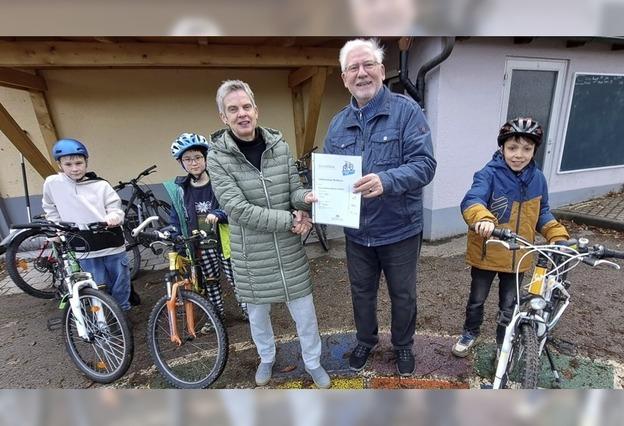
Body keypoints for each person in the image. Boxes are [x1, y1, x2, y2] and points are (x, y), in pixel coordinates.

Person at [321, 38, 437, 376]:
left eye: (368, 65)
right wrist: (319, 198)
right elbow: (329, 174)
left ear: (382, 71)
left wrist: (387, 181)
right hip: (358, 231)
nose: (362, 73)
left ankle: (403, 346)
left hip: (399, 228)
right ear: (343, 78)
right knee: (361, 293)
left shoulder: (407, 112)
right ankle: (366, 340)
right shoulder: (337, 124)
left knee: (403, 295)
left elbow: (425, 165)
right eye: (353, 68)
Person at [207, 80, 331, 389]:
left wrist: (307, 201)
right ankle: (266, 357)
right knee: (258, 318)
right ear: (223, 117)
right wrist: (291, 218)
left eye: (246, 107)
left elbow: (293, 189)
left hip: (288, 250)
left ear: (256, 110)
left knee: (305, 313)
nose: (242, 114)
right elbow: (237, 209)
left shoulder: (279, 145)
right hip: (251, 255)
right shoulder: (217, 158)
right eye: (233, 109)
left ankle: (313, 362)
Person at [451, 117, 569, 359]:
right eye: (513, 148)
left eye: (526, 149)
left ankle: (502, 341)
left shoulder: (538, 179)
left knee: (510, 305)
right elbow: (472, 200)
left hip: (518, 257)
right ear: (502, 148)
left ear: (534, 150)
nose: (519, 155)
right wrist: (482, 218)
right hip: (488, 251)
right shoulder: (488, 174)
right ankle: (470, 333)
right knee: (477, 300)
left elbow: (542, 212)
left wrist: (556, 235)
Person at [42, 138, 131, 312]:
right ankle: (102, 316)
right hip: (83, 245)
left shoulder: (100, 185)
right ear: (59, 165)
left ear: (86, 162)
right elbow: (50, 208)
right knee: (95, 284)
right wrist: (55, 228)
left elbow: (115, 207)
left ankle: (123, 311)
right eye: (68, 164)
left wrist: (113, 217)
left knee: (120, 280)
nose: (75, 168)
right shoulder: (53, 184)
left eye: (79, 163)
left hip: (111, 242)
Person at [165, 132, 247, 322]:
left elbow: (235, 205)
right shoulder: (180, 190)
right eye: (188, 159)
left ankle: (247, 311)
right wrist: (172, 232)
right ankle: (216, 317)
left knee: (237, 280)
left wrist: (219, 214)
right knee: (210, 283)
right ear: (181, 163)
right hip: (201, 247)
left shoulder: (220, 182)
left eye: (198, 158)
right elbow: (176, 217)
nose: (194, 163)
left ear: (206, 158)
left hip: (224, 244)